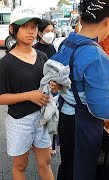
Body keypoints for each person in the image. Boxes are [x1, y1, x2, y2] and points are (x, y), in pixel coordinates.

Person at [51, 0, 109, 179]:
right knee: (82, 172)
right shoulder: (95, 56)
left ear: (80, 18)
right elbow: (100, 108)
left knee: (68, 168)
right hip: (83, 127)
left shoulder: (68, 43)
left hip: (66, 121)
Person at [0, 6, 59, 180]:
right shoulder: (6, 63)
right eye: (25, 26)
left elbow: (49, 85)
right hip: (19, 121)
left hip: (41, 118)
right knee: (20, 165)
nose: (30, 31)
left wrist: (53, 87)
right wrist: (29, 95)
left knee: (45, 161)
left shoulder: (42, 56)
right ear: (13, 29)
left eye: (33, 27)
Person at [33, 18, 58, 156]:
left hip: (53, 88)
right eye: (47, 31)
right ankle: (39, 143)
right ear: (40, 33)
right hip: (40, 89)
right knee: (42, 116)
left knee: (52, 116)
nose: (50, 34)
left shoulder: (53, 47)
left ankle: (50, 145)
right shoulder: (35, 49)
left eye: (52, 31)